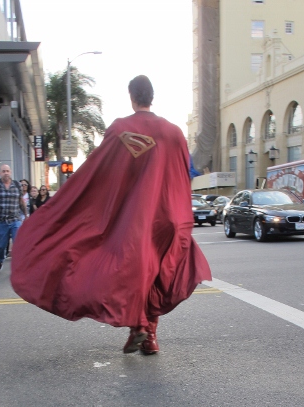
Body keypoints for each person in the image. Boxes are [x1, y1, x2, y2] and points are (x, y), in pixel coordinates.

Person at [11, 75, 211, 354]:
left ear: (132, 97)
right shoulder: (174, 132)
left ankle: (141, 327)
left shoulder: (121, 129)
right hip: (167, 217)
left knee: (133, 273)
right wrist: (181, 215)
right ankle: (148, 336)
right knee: (153, 274)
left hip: (135, 219)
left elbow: (101, 174)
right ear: (152, 97)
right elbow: (182, 176)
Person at [0, 165, 27, 272]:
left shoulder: (17, 185)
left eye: (8, 171)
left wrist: (26, 215)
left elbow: (21, 201)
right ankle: (0, 259)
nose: (6, 173)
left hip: (15, 219)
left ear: (10, 172)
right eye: (3, 171)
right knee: (1, 246)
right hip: (2, 221)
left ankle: (18, 265)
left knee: (18, 242)